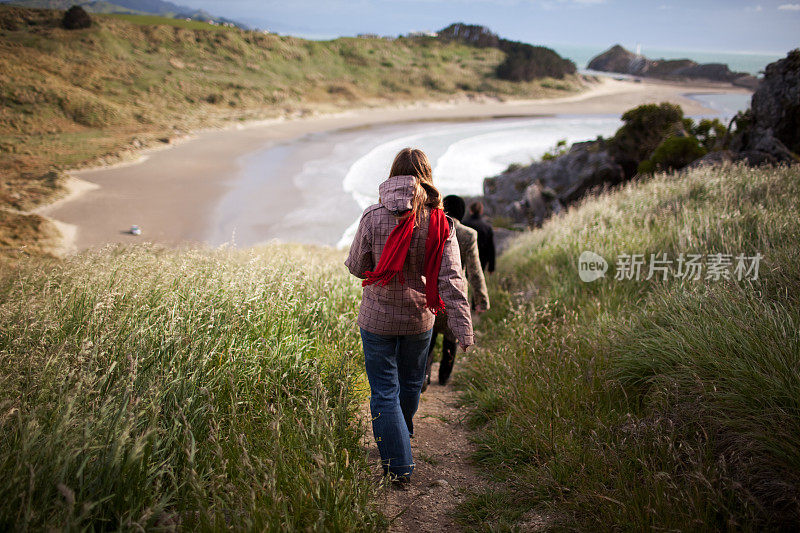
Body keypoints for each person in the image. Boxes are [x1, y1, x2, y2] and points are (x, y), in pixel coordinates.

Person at [345, 147, 473, 484]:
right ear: (426, 176)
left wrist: (382, 266)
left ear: (394, 174)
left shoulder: (372, 215)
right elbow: (452, 279)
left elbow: (358, 268)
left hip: (377, 318)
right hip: (419, 319)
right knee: (412, 382)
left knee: (384, 390)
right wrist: (463, 328)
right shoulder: (439, 221)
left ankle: (398, 463)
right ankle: (402, 434)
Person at [422, 195, 489, 391]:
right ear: (462, 212)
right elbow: (475, 271)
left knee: (430, 337)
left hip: (433, 291)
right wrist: (482, 300)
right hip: (456, 294)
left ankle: (424, 376)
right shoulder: (468, 235)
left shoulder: (431, 229)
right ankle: (443, 377)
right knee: (451, 338)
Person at [462, 201, 496, 274]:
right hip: (482, 259)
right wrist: (491, 267)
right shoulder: (487, 227)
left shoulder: (464, 224)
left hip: (466, 259)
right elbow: (491, 247)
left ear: (470, 210)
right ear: (481, 211)